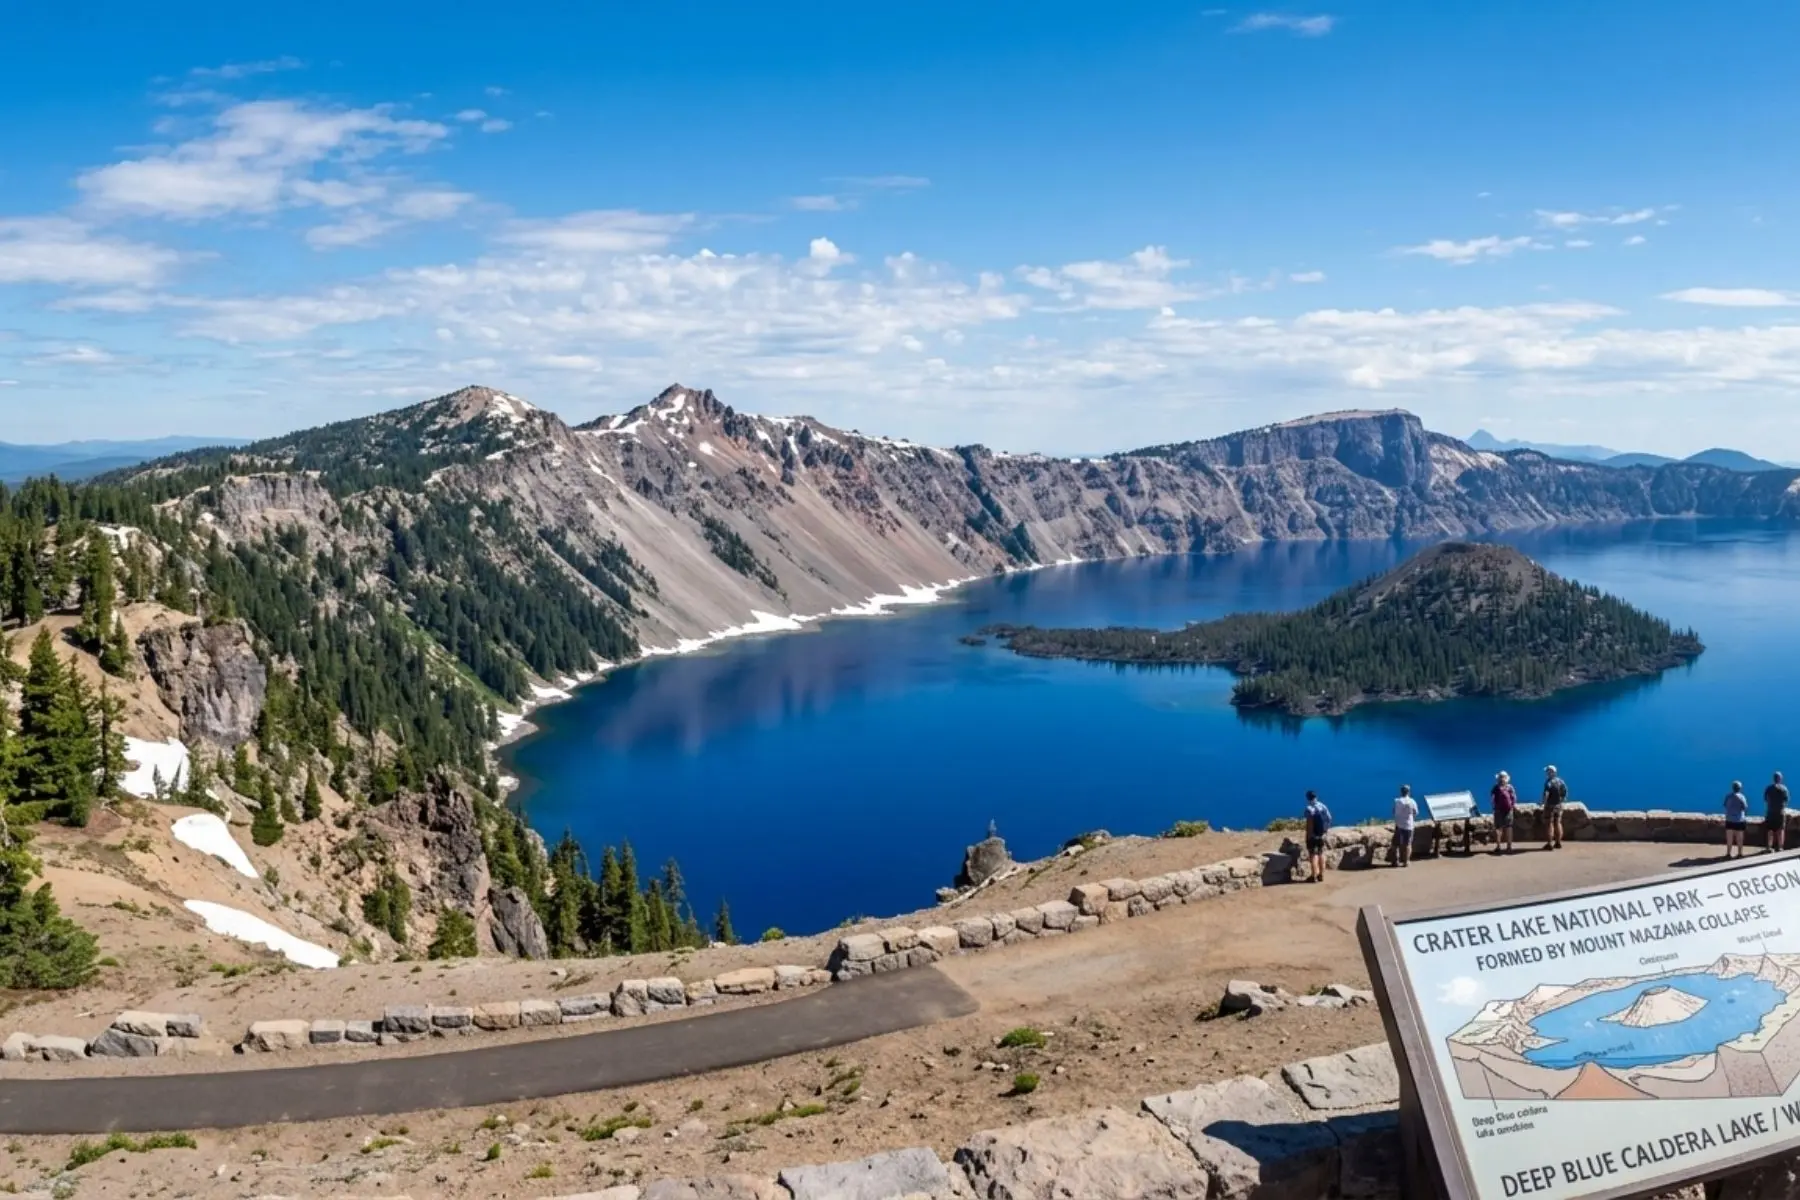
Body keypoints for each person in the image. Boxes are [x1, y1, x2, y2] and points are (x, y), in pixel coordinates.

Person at [1303, 790, 1333, 883]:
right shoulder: (1322, 806)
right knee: (1321, 853)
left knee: (1313, 855)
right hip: (1321, 834)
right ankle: (1321, 875)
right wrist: (1325, 830)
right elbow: (1329, 818)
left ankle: (1314, 876)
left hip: (1312, 836)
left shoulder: (1309, 809)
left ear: (1308, 798)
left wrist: (1309, 835)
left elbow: (1309, 823)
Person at [1490, 771, 1517, 855]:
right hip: (1508, 810)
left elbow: (1492, 798)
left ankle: (1498, 846)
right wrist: (1512, 806)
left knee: (1498, 828)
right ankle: (1509, 847)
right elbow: (1514, 798)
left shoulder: (1495, 787)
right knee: (1509, 828)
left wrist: (1494, 807)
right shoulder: (1510, 787)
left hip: (1498, 810)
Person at [1541, 765, 1568, 851]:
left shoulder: (1548, 782)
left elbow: (1546, 794)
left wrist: (1543, 802)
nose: (1547, 773)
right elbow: (1565, 791)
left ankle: (1549, 844)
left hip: (1550, 806)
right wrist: (1562, 800)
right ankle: (1558, 842)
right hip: (1559, 805)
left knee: (1549, 824)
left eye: (1548, 771)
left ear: (1550, 773)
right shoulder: (1560, 781)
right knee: (1558, 823)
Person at [1393, 785, 1419, 868]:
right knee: (1408, 844)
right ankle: (1406, 862)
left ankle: (1395, 861)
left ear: (1401, 792)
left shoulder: (1397, 801)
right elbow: (1416, 812)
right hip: (1409, 825)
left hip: (1399, 825)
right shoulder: (1412, 801)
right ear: (1408, 792)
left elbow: (1393, 811)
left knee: (1395, 844)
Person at [1724, 781, 1749, 859]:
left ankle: (1728, 854)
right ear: (1740, 788)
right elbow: (1745, 807)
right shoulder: (1742, 797)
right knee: (1739, 838)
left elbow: (1725, 805)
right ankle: (1740, 853)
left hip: (1729, 820)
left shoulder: (1728, 796)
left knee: (1729, 838)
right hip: (1739, 820)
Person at [1767, 771, 1791, 854]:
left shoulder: (1769, 788)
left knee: (1770, 830)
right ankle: (1780, 847)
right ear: (1780, 779)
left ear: (1773, 779)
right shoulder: (1784, 789)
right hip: (1780, 812)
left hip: (1770, 812)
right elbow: (1787, 799)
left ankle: (1770, 847)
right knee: (1780, 830)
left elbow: (1766, 799)